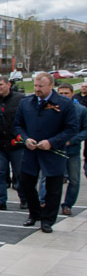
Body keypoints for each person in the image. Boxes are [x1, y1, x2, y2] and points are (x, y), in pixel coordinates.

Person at [14, 72, 79, 233]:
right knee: (25, 184)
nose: (37, 89)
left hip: (53, 152)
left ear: (51, 85)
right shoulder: (26, 102)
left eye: (41, 86)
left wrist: (52, 142)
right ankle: (35, 213)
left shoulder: (64, 104)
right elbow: (18, 125)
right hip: (31, 151)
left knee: (53, 188)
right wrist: (25, 139)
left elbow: (71, 128)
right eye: (35, 86)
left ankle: (48, 220)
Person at [37, 82, 87, 215]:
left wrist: (72, 140)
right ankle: (44, 201)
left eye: (66, 93)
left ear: (72, 94)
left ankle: (67, 204)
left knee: (74, 180)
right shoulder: (50, 107)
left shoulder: (81, 110)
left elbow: (85, 130)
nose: (64, 96)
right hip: (53, 149)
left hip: (72, 151)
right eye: (61, 93)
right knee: (46, 177)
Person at [0, 75, 26, 210]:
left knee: (20, 173)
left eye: (1, 85)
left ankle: (24, 199)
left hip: (16, 143)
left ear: (8, 85)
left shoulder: (20, 99)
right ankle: (0, 200)